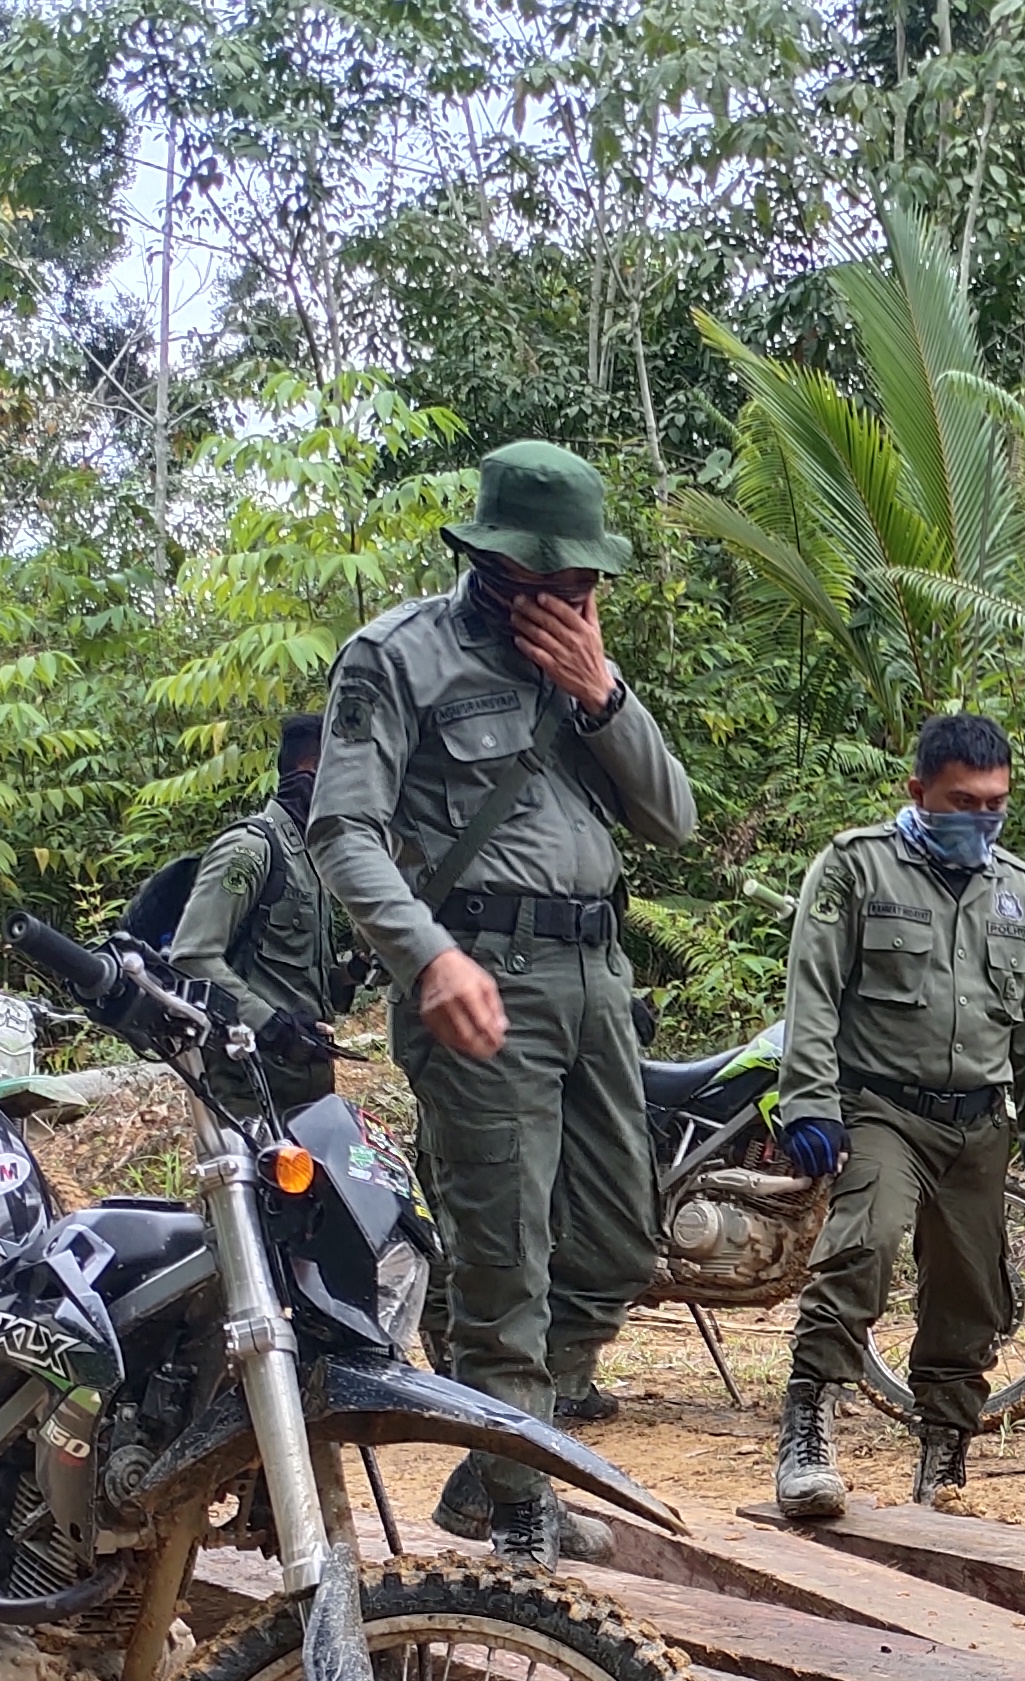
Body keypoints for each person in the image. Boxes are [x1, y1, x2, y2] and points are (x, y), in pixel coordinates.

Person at [302, 442, 695, 1559]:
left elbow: (673, 819)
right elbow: (342, 830)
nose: (577, 592)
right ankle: (524, 1510)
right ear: (498, 560)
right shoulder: (398, 658)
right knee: (505, 1260)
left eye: (588, 577)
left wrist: (602, 695)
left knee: (618, 1243)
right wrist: (427, 958)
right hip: (481, 979)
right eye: (556, 573)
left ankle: (495, 1461)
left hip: (597, 980)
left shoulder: (585, 669)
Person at [767, 713, 1025, 1520]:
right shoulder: (857, 868)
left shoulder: (1017, 889)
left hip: (978, 1123)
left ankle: (944, 1458)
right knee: (863, 1244)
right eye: (962, 802)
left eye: (995, 804)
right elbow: (812, 993)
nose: (980, 818)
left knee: (972, 1294)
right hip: (883, 1109)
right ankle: (809, 1428)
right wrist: (810, 1104)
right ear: (918, 791)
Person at [169, 712, 362, 1104]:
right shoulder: (251, 849)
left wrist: (354, 971)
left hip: (306, 1076)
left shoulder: (310, 858)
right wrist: (271, 1026)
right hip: (249, 1080)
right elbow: (192, 956)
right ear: (310, 772)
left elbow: (295, 978)